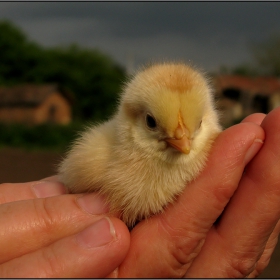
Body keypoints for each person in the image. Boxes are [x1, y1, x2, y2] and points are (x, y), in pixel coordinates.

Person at [0, 107, 280, 278]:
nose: (183, 141)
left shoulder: (214, 155)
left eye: (194, 127)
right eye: (151, 123)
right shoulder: (101, 158)